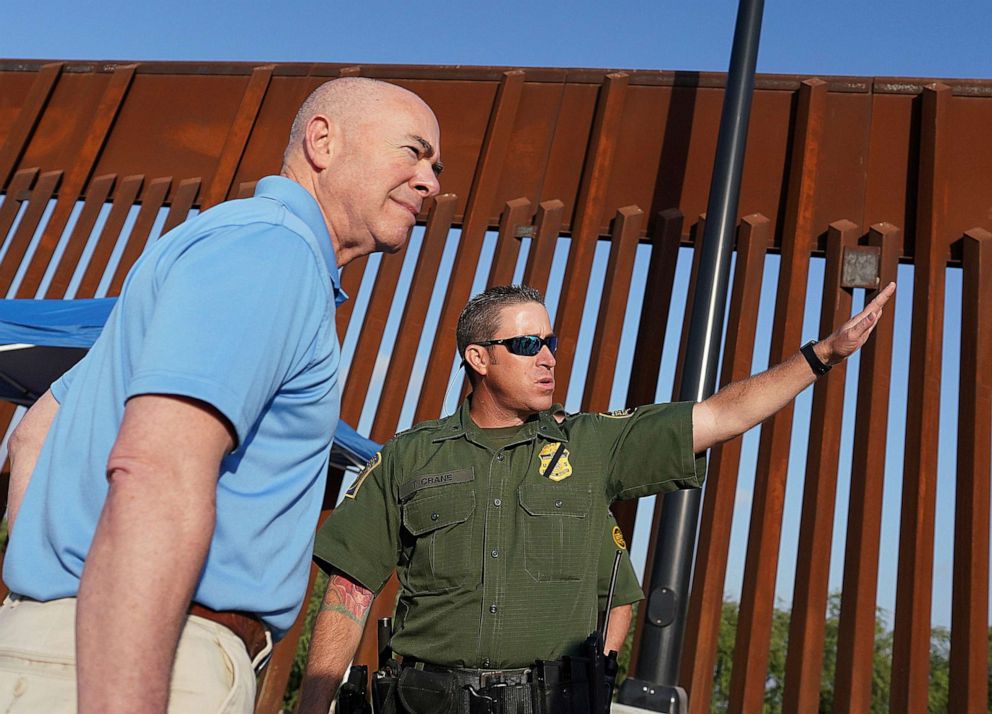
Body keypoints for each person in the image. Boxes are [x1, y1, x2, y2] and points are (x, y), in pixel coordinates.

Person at [0, 77, 442, 714]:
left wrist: (48, 590)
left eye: (436, 166)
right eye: (413, 151)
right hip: (155, 659)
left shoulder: (227, 241)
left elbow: (36, 431)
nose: (429, 181)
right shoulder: (274, 253)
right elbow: (155, 468)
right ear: (322, 140)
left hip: (69, 648)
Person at [299, 280, 895, 713]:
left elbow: (720, 415)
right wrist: (312, 709)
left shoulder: (592, 444)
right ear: (478, 359)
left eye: (551, 341)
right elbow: (350, 591)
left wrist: (822, 356)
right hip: (423, 703)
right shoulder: (408, 456)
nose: (549, 357)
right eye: (527, 344)